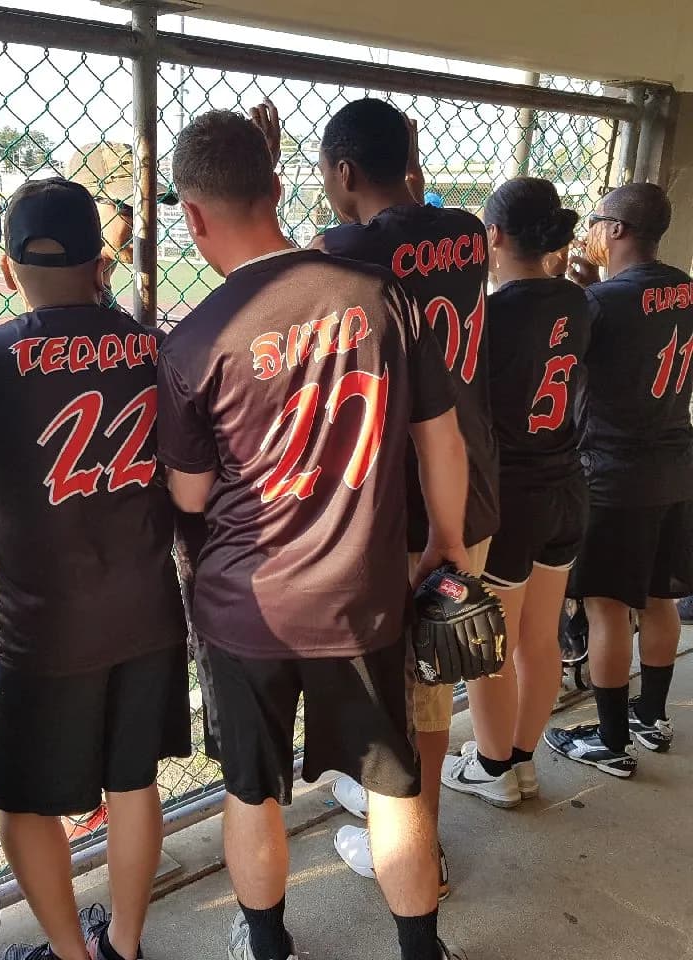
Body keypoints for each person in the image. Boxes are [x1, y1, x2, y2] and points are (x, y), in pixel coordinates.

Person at [159, 108, 471, 960]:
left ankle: (266, 944)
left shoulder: (194, 339)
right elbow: (440, 439)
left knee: (252, 792)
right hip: (362, 598)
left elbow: (188, 493)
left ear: (192, 216)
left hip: (244, 606)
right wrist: (445, 542)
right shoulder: (379, 295)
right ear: (277, 187)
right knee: (393, 788)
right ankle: (420, 951)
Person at [0, 178, 190, 960]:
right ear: (99, 261)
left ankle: (69, 953)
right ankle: (122, 943)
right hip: (149, 608)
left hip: (44, 626)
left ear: (9, 270)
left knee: (19, 799)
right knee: (132, 784)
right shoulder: (155, 345)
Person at [280, 96, 497, 899]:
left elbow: (296, 272)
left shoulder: (340, 251)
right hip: (469, 482)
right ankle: (401, 807)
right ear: (410, 161)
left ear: (342, 171)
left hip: (398, 502)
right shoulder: (469, 231)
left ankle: (417, 845)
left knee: (413, 692)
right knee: (430, 679)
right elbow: (416, 224)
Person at [439, 178, 589, 806]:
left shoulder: (489, 316)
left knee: (491, 645)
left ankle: (495, 769)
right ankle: (522, 758)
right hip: (566, 484)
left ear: (492, 235)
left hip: (511, 495)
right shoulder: (582, 301)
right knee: (542, 636)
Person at [546, 182, 693, 774]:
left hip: (614, 473)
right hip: (676, 464)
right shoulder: (684, 286)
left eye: (596, 220)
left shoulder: (601, 302)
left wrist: (573, 291)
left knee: (608, 609)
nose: (590, 231)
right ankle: (651, 717)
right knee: (660, 597)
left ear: (616, 230)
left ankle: (610, 742)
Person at [67, 142, 177, 299]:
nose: (144, 223)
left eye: (149, 208)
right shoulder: (70, 301)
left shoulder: (92, 295)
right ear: (84, 205)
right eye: (127, 207)